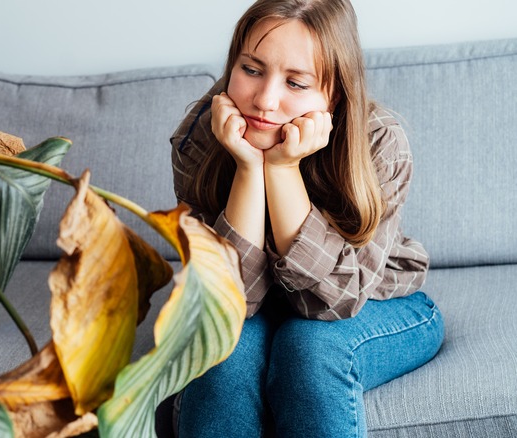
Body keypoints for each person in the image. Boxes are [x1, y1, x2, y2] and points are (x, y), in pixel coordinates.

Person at [169, 0, 445, 436]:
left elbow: (332, 302)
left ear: (333, 94)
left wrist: (281, 169)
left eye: (296, 82)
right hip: (254, 310)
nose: (264, 101)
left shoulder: (379, 143)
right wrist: (247, 166)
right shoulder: (203, 132)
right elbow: (227, 304)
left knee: (309, 348)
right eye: (252, 69)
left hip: (373, 300)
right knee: (224, 350)